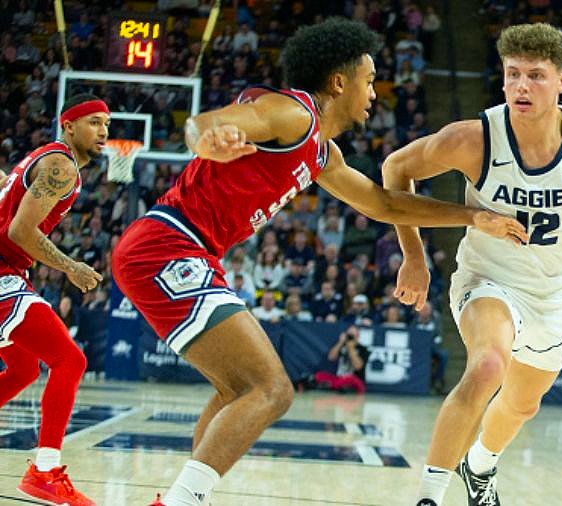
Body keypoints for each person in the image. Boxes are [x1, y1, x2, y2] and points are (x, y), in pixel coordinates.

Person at [110, 18, 525, 506]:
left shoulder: (320, 152)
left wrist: (474, 216)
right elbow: (207, 124)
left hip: (185, 251)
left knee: (235, 389)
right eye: (368, 80)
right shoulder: (292, 113)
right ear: (338, 82)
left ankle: (183, 497)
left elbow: (384, 205)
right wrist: (207, 138)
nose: (374, 92)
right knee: (271, 389)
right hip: (167, 247)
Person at [382, 23, 562, 506]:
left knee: (522, 404)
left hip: (552, 297)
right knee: (489, 364)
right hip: (487, 280)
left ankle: (481, 466)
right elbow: (395, 169)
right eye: (512, 74)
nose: (521, 86)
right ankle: (429, 496)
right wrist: (414, 256)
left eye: (535, 75)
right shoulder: (474, 139)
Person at [0, 94, 106, 506]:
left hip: (11, 271)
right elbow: (19, 232)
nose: (103, 132)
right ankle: (44, 471)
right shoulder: (60, 165)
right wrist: (71, 266)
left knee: (24, 368)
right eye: (94, 122)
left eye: (107, 125)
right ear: (68, 126)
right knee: (70, 360)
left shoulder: (40, 159)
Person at [312, 324, 370, 394]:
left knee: (349, 379)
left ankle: (332, 386)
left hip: (354, 379)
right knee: (319, 375)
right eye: (348, 335)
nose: (350, 338)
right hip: (339, 378)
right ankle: (337, 386)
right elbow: (331, 358)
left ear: (357, 337)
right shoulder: (341, 346)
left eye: (352, 336)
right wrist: (340, 342)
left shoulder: (363, 349)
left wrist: (351, 349)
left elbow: (358, 367)